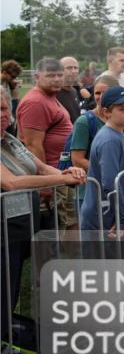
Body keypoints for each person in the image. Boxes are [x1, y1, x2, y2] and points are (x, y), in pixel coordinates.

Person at [1, 86, 86, 339]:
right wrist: (61, 180)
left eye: (4, 108)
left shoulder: (10, 139)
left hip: (20, 224)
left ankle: (10, 345)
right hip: (4, 230)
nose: (2, 114)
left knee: (12, 287)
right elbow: (11, 183)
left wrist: (66, 173)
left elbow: (38, 167)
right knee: (4, 290)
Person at [16, 58, 76, 229]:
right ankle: (64, 256)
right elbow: (33, 145)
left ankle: (71, 255)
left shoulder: (49, 96)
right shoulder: (35, 102)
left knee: (68, 223)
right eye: (50, 75)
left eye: (59, 75)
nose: (57, 79)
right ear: (36, 76)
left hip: (60, 172)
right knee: (59, 227)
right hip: (51, 175)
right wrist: (45, 185)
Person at [81, 86, 124, 234]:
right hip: (103, 215)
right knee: (105, 257)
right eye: (123, 109)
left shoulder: (119, 132)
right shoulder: (109, 140)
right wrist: (122, 219)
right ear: (107, 112)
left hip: (110, 211)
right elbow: (111, 184)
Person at [70, 75, 124, 172]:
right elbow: (77, 160)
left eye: (106, 92)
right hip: (94, 183)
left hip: (120, 181)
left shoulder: (122, 118)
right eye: (97, 93)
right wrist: (110, 171)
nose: (101, 97)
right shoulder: (84, 121)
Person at [56, 56, 83, 124]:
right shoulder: (53, 93)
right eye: (69, 68)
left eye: (76, 68)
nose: (74, 71)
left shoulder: (74, 91)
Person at [1, 60, 23, 136]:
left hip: (9, 120)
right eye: (13, 76)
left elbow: (16, 100)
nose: (14, 79)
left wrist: (13, 87)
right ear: (4, 73)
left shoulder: (8, 82)